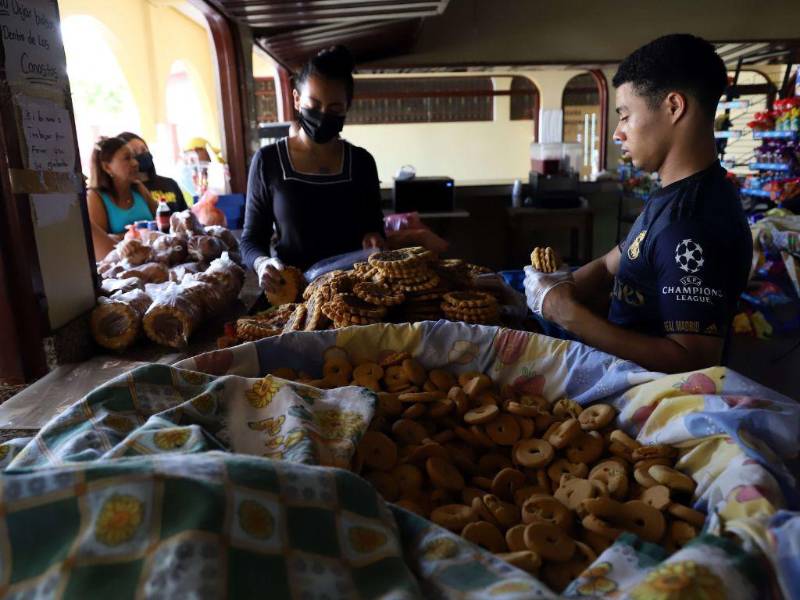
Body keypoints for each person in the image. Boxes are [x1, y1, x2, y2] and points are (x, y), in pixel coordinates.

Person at [526, 34, 752, 373]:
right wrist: (549, 291)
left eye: (626, 115)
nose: (618, 133)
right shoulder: (670, 194)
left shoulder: (692, 224)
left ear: (674, 107)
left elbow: (693, 361)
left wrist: (567, 314)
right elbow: (608, 266)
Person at [241, 45, 385, 293]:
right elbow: (252, 240)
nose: (323, 116)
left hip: (354, 294)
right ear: (297, 100)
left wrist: (375, 238)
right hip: (291, 295)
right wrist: (263, 264)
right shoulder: (268, 161)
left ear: (347, 109)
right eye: (314, 105)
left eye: (335, 109)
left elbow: (375, 228)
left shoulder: (362, 162)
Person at [87, 136, 158, 260]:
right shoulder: (95, 197)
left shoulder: (138, 188)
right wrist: (133, 236)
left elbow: (161, 222)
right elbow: (101, 248)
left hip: (152, 258)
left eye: (134, 157)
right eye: (127, 158)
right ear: (107, 167)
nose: (135, 163)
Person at [117, 131, 188, 214]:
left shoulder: (170, 183)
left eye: (143, 149)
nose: (142, 154)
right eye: (134, 153)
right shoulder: (127, 191)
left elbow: (185, 214)